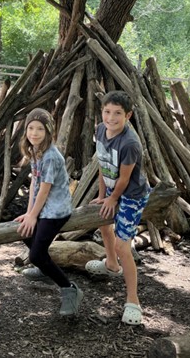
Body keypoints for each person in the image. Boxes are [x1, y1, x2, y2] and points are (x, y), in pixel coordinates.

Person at [85, 91, 151, 325]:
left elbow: (124, 178)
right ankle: (111, 265)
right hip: (112, 191)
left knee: (124, 246)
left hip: (131, 195)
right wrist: (103, 196)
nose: (111, 118)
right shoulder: (100, 130)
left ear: (128, 115)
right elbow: (103, 164)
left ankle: (133, 300)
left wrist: (113, 199)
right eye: (107, 111)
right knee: (104, 225)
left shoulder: (130, 143)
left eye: (117, 113)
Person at [14, 108, 83, 317]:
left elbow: (45, 189)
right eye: (31, 128)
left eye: (40, 129)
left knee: (35, 254)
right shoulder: (36, 150)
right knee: (25, 232)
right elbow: (35, 181)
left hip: (56, 210)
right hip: (43, 208)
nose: (34, 133)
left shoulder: (51, 156)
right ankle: (45, 269)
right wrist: (28, 213)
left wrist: (34, 215)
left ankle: (69, 289)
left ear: (49, 132)